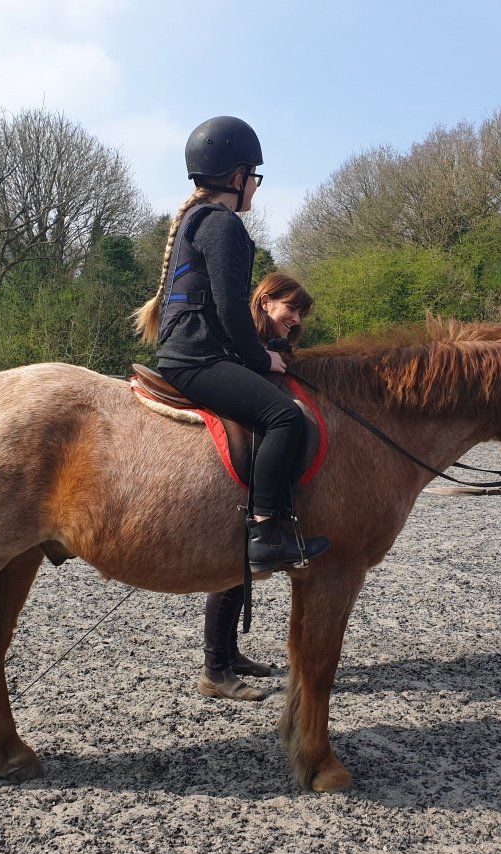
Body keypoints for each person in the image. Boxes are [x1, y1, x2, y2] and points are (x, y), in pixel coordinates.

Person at [132, 116, 330, 573]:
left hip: (191, 353)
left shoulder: (195, 220)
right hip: (197, 358)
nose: (256, 189)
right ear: (238, 178)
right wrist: (264, 359)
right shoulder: (222, 225)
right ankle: (264, 533)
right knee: (284, 417)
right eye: (254, 179)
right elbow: (231, 312)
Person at [198, 274, 316, 701]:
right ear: (266, 302)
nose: (297, 318)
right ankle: (214, 669)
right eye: (291, 308)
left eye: (301, 312)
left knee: (239, 565)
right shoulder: (241, 335)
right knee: (233, 563)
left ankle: (227, 653)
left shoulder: (267, 340)